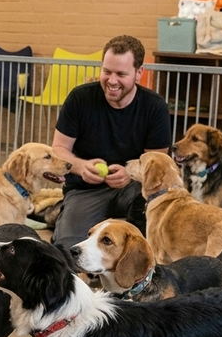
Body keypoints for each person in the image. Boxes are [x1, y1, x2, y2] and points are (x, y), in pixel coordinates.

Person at [49, 34, 173, 249]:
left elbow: (157, 164)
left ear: (138, 73)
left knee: (148, 232)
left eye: (121, 74)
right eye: (107, 71)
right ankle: (62, 216)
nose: (112, 81)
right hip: (86, 190)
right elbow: (59, 149)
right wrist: (81, 167)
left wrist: (129, 173)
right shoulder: (80, 99)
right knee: (70, 246)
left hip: (134, 188)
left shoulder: (155, 107)